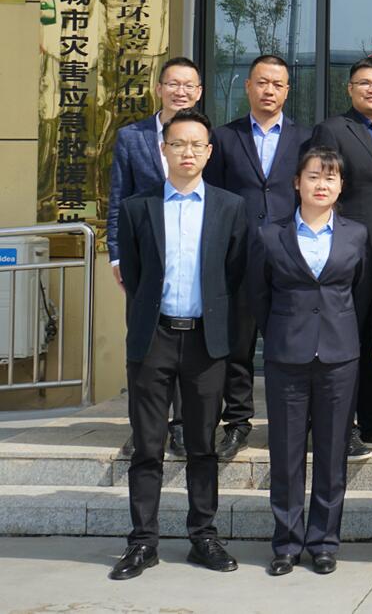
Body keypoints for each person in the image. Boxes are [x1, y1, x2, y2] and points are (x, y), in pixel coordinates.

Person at [108, 109, 248, 581]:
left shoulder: (230, 207)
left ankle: (203, 535)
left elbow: (234, 275)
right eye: (178, 143)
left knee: (203, 445)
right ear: (162, 149)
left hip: (206, 341)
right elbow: (135, 277)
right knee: (148, 446)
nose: (188, 152)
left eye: (196, 144)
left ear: (209, 152)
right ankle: (142, 542)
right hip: (154, 338)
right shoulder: (138, 207)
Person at [249, 146, 372, 576]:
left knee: (332, 453)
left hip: (340, 357)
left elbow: (361, 293)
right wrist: (281, 334)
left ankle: (323, 542)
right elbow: (259, 295)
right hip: (287, 355)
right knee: (285, 454)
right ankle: (286, 543)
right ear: (297, 183)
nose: (322, 185)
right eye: (314, 176)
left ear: (341, 186)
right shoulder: (271, 235)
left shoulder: (356, 235)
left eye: (330, 177)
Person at [204, 54, 312, 461]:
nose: (269, 90)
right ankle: (237, 421)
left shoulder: (306, 138)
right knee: (239, 343)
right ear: (248, 86)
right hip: (238, 254)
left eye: (278, 84)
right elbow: (213, 198)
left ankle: (295, 420)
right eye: (262, 83)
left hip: (289, 255)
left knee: (292, 342)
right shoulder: (224, 138)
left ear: (288, 90)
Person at [309, 57, 372, 458]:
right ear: (350, 89)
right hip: (347, 250)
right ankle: (338, 425)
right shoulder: (333, 130)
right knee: (343, 341)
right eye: (364, 82)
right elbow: (321, 185)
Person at [107, 56, 203, 458]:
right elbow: (118, 199)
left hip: (192, 256)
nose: (181, 91)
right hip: (145, 260)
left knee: (189, 346)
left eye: (189, 85)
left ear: (199, 92)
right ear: (159, 88)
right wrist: (116, 256)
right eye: (173, 84)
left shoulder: (205, 137)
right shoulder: (132, 137)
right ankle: (145, 427)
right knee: (143, 343)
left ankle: (181, 426)